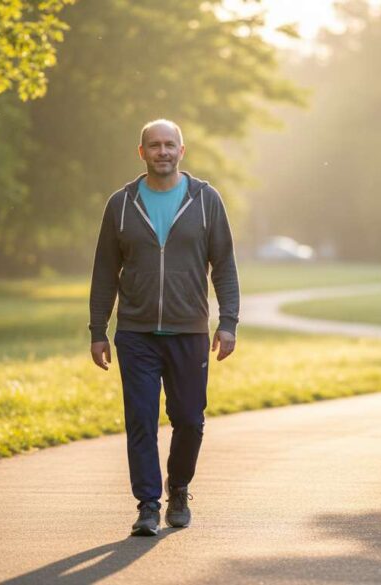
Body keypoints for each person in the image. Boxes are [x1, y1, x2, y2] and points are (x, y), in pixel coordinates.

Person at [88, 119, 239, 537]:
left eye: (169, 145)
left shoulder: (206, 200)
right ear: (142, 153)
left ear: (181, 151)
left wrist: (228, 322)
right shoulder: (120, 204)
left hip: (189, 331)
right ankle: (148, 505)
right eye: (154, 145)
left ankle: (179, 488)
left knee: (189, 419)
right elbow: (104, 271)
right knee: (140, 419)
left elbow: (224, 265)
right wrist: (98, 330)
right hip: (135, 332)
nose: (162, 152)